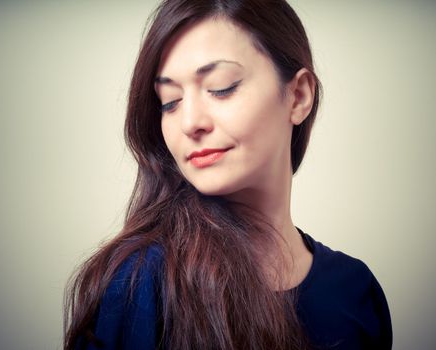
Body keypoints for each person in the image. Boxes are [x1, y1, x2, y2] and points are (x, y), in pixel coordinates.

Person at [63, 0, 392, 349]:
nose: (190, 123)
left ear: (298, 96)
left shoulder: (356, 292)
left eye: (221, 87)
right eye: (170, 102)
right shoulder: (141, 282)